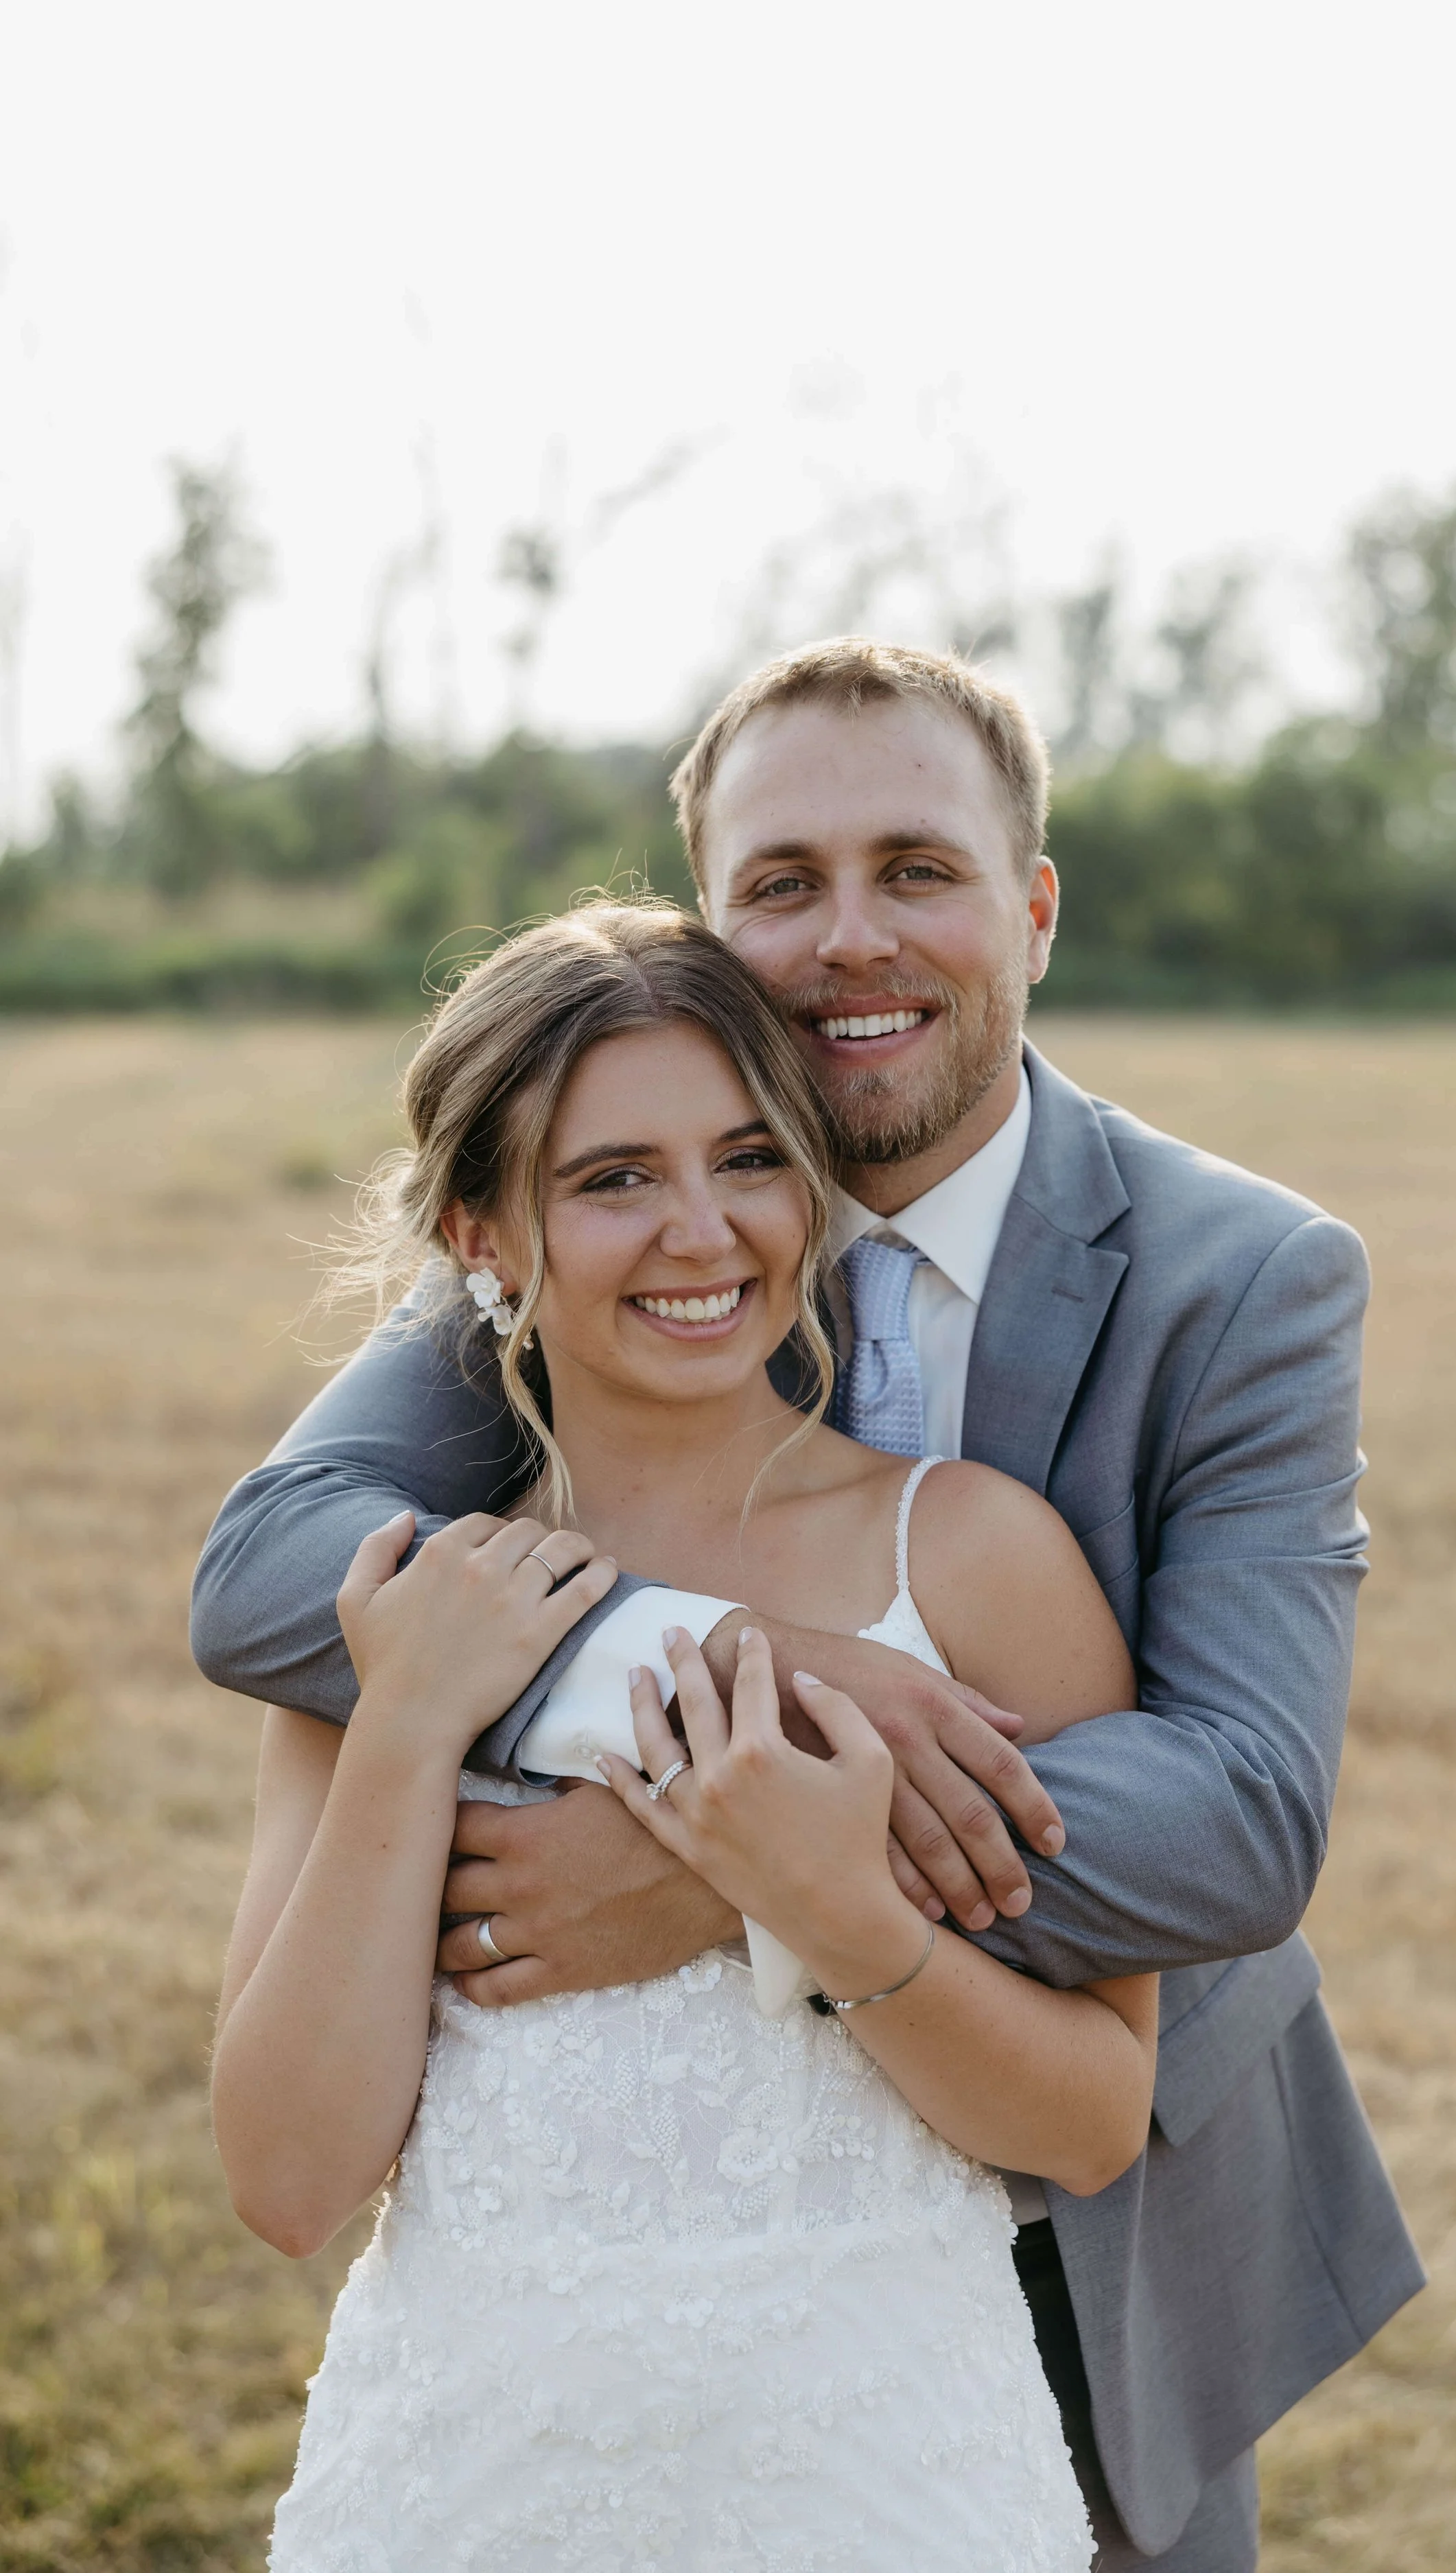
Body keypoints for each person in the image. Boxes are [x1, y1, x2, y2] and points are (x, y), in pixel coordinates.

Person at [194, 637, 1425, 2570]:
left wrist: (724, 1853)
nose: (849, 935)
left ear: (1029, 909)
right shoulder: (590, 1214)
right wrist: (713, 1664)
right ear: (709, 924)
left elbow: (1238, 1817)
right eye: (781, 883)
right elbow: (272, 1566)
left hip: (1080, 2236)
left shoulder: (1239, 1277)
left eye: (915, 869)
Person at [214, 903, 1158, 2568]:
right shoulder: (406, 1623)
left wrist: (829, 1911)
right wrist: (410, 1722)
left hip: (884, 2484)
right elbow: (291, 2183)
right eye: (610, 1179)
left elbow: (1088, 2125)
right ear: (478, 1232)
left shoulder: (975, 1562)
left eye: (747, 1159)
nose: (702, 1231)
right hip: (465, 2486)